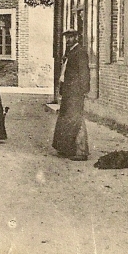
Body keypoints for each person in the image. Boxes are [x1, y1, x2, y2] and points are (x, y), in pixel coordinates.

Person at [52, 30, 91, 161]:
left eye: (70, 37)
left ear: (76, 38)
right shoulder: (69, 52)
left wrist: (83, 90)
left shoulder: (80, 52)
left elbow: (84, 72)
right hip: (69, 91)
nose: (68, 40)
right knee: (66, 119)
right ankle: (66, 149)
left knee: (76, 119)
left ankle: (81, 151)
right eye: (66, 38)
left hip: (76, 91)